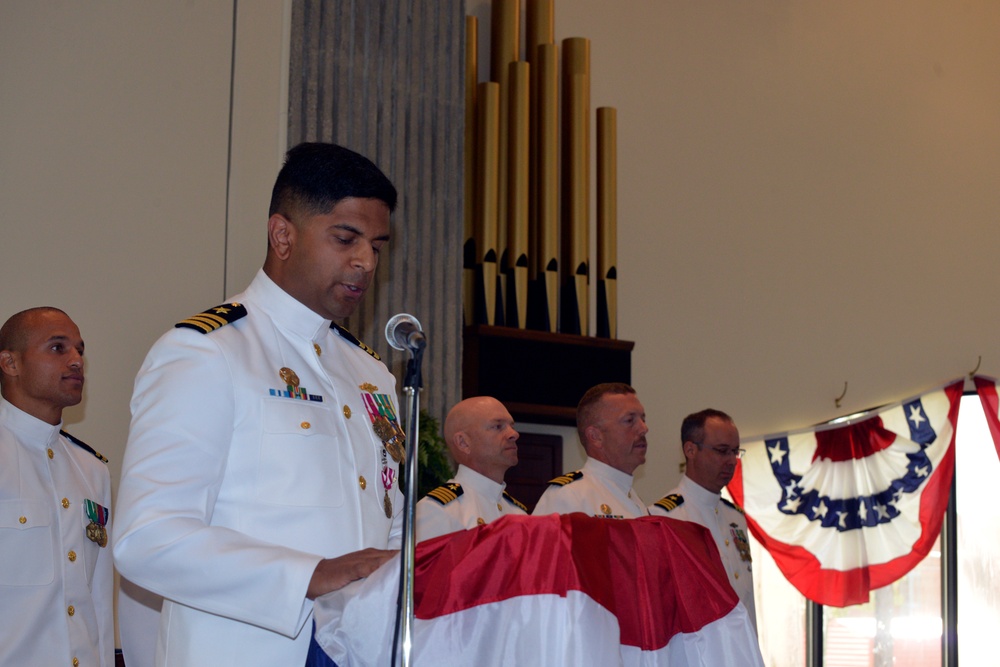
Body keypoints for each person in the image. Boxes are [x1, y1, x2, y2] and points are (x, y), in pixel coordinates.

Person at [113, 142, 404, 666]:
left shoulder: (372, 375)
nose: (365, 261)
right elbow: (146, 538)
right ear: (283, 235)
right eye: (346, 238)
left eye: (377, 246)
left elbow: (389, 519)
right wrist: (308, 574)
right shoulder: (207, 352)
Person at [0, 307, 113, 667]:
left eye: (80, 349)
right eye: (57, 348)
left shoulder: (92, 470)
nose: (77, 360)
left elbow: (99, 600)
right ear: (10, 363)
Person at [649, 408, 757, 632]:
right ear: (690, 450)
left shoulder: (735, 517)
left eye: (735, 451)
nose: (731, 461)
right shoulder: (663, 517)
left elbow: (746, 597)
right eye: (721, 451)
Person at [416, 396, 528, 541]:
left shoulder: (518, 513)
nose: (514, 434)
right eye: (498, 426)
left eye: (512, 426)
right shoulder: (439, 511)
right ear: (463, 443)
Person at [533, 382, 650, 518]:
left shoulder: (634, 499)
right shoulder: (570, 495)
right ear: (595, 437)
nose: (644, 428)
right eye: (629, 420)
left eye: (643, 419)